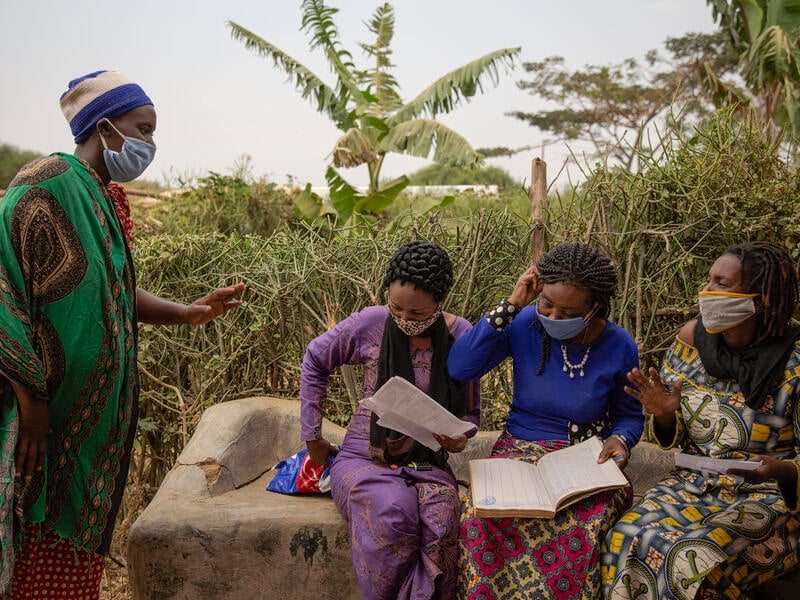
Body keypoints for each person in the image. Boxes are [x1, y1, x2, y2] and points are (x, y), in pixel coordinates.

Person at [0, 70, 245, 599]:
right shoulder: (42, 186)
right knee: (32, 540)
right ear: (105, 127)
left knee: (68, 563)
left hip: (87, 431)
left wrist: (187, 312)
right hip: (43, 421)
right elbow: (4, 293)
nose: (150, 143)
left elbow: (111, 292)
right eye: (144, 128)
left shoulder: (105, 199)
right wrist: (33, 402)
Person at [602, 241, 800, 600]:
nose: (707, 292)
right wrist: (664, 414)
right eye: (709, 280)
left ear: (762, 299)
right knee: (627, 533)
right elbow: (672, 436)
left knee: (689, 557)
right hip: (694, 483)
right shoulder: (692, 339)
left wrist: (780, 470)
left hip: (770, 498)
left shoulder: (795, 361)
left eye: (722, 284)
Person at [447, 241, 644, 600]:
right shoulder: (524, 323)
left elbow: (629, 416)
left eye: (567, 312)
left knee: (585, 526)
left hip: (585, 459)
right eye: (546, 305)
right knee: (479, 519)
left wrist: (621, 441)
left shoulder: (620, 345)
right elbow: (460, 367)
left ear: (594, 307)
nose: (552, 318)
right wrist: (512, 305)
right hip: (517, 450)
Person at [300, 240, 481, 600]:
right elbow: (315, 358)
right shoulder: (371, 322)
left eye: (416, 314)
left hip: (429, 462)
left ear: (440, 300)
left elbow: (471, 413)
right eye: (395, 308)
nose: (403, 319)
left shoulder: (461, 334)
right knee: (392, 511)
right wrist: (312, 435)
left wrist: (461, 437)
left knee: (442, 520)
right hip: (363, 458)